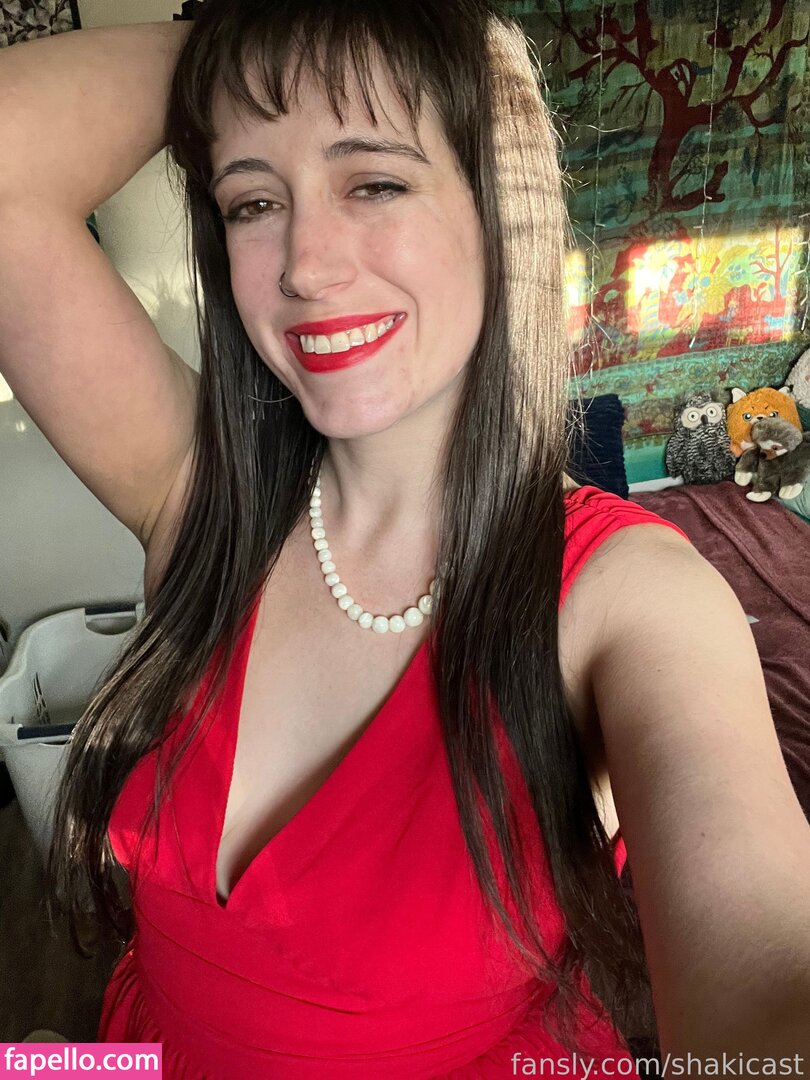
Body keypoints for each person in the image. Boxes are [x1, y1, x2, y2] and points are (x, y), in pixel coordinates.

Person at [1, 2, 809, 1076]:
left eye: (374, 182)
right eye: (254, 201)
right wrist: (265, 38)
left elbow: (766, 990)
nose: (304, 265)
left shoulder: (632, 599)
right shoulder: (200, 501)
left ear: (499, 207)